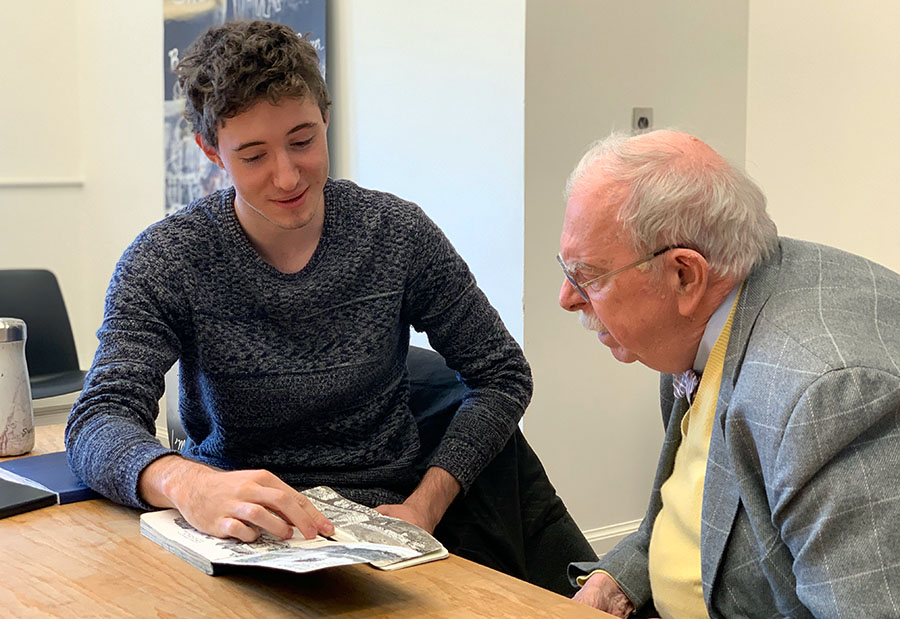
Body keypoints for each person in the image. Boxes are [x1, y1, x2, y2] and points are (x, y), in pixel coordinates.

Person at [65, 20, 595, 594]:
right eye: (253, 155)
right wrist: (186, 485)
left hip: (383, 534)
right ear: (210, 151)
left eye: (302, 140)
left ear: (326, 118)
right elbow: (98, 418)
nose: (288, 176)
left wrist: (426, 504)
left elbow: (503, 374)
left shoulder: (395, 234)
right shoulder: (168, 259)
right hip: (234, 535)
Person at [559, 129, 900, 617]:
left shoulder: (824, 398)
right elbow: (700, 514)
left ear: (684, 276)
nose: (567, 298)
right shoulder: (704, 316)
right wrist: (616, 582)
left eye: (586, 276)